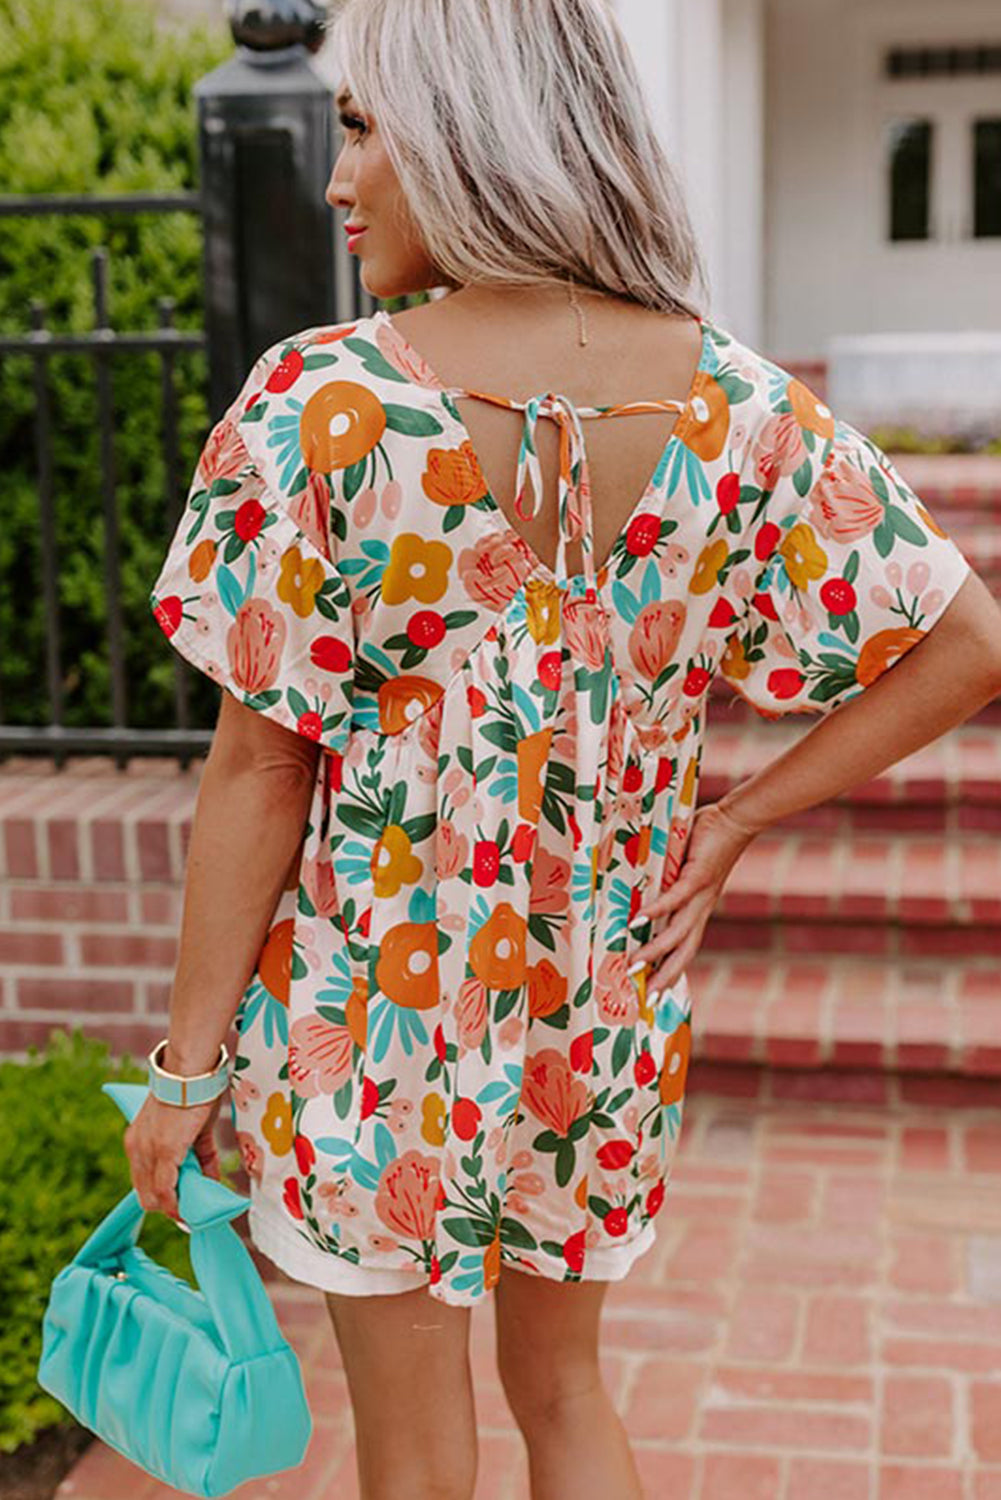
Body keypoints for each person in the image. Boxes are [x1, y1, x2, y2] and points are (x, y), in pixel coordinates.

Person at [125, 2, 1001, 1497]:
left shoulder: (323, 408)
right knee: (568, 1395)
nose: (338, 182)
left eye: (360, 128)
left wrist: (185, 1070)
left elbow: (258, 774)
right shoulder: (733, 404)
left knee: (411, 1463)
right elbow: (966, 642)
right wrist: (731, 822)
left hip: (371, 1026)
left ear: (470, 133)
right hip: (595, 1013)